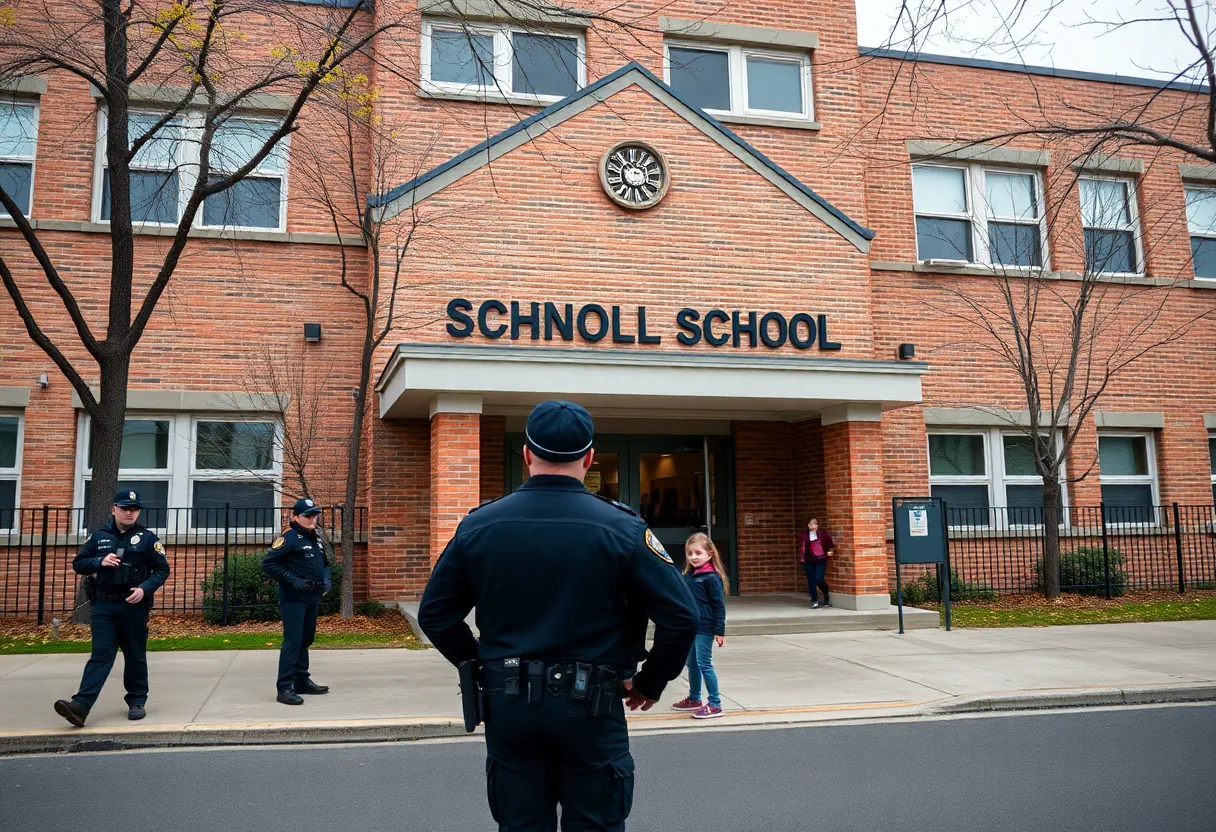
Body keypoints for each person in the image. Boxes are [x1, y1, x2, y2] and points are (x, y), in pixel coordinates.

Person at [418, 399, 698, 832]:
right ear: (588, 458)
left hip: (510, 704)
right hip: (593, 705)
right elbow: (681, 617)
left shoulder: (479, 526)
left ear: (527, 454)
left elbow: (435, 615)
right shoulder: (623, 528)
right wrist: (650, 682)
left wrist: (480, 667)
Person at [54, 490, 170, 727]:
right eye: (124, 508)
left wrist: (144, 589)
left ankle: (137, 701)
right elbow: (79, 563)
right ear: (113, 509)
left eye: (134, 509)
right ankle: (81, 705)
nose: (129, 513)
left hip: (133, 606)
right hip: (104, 606)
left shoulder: (147, 538)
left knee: (135, 654)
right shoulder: (98, 537)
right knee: (100, 656)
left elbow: (161, 569)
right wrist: (99, 561)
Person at [262, 497, 332, 705]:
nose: (312, 519)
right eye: (308, 516)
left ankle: (302, 680)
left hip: (312, 596)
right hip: (294, 598)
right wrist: (292, 580)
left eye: (315, 515)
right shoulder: (289, 538)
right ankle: (284, 688)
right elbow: (268, 563)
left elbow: (325, 563)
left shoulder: (315, 538)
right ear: (296, 517)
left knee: (306, 640)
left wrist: (327, 579)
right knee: (293, 642)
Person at [670, 532, 728, 719]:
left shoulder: (711, 577)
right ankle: (695, 698)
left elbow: (718, 605)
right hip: (691, 627)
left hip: (705, 627)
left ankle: (715, 704)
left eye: (698, 553)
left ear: (709, 554)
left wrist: (720, 630)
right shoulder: (689, 576)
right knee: (692, 664)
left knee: (704, 664)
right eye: (690, 553)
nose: (693, 557)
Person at [798, 517, 836, 608]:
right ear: (808, 525)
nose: (813, 526)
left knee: (819, 579)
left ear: (817, 525)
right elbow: (801, 547)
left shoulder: (822, 534)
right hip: (808, 561)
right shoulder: (804, 535)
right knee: (811, 581)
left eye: (815, 524)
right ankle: (814, 601)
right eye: (811, 524)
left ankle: (826, 594)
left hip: (820, 560)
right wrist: (801, 559)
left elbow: (830, 544)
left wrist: (830, 551)